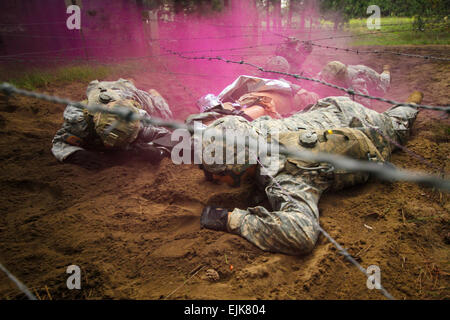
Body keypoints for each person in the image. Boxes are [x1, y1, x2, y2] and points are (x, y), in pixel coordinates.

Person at [197, 90, 423, 255]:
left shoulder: (285, 175)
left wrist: (231, 219)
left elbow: (300, 234)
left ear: (241, 166)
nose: (214, 177)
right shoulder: (257, 130)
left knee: (399, 121)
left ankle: (413, 102)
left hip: (371, 130)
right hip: (333, 107)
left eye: (219, 171)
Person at [51, 79, 174, 170]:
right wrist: (79, 155)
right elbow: (59, 142)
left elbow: (168, 137)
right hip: (100, 90)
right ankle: (122, 82)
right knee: (103, 87)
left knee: (164, 114)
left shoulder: (139, 120)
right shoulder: (79, 122)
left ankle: (150, 92)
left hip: (128, 93)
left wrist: (158, 152)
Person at [317, 61, 391, 106]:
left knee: (383, 86)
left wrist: (345, 97)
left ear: (340, 77)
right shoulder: (328, 72)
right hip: (356, 69)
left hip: (373, 79)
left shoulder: (357, 79)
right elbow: (316, 81)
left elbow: (365, 102)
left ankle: (386, 71)